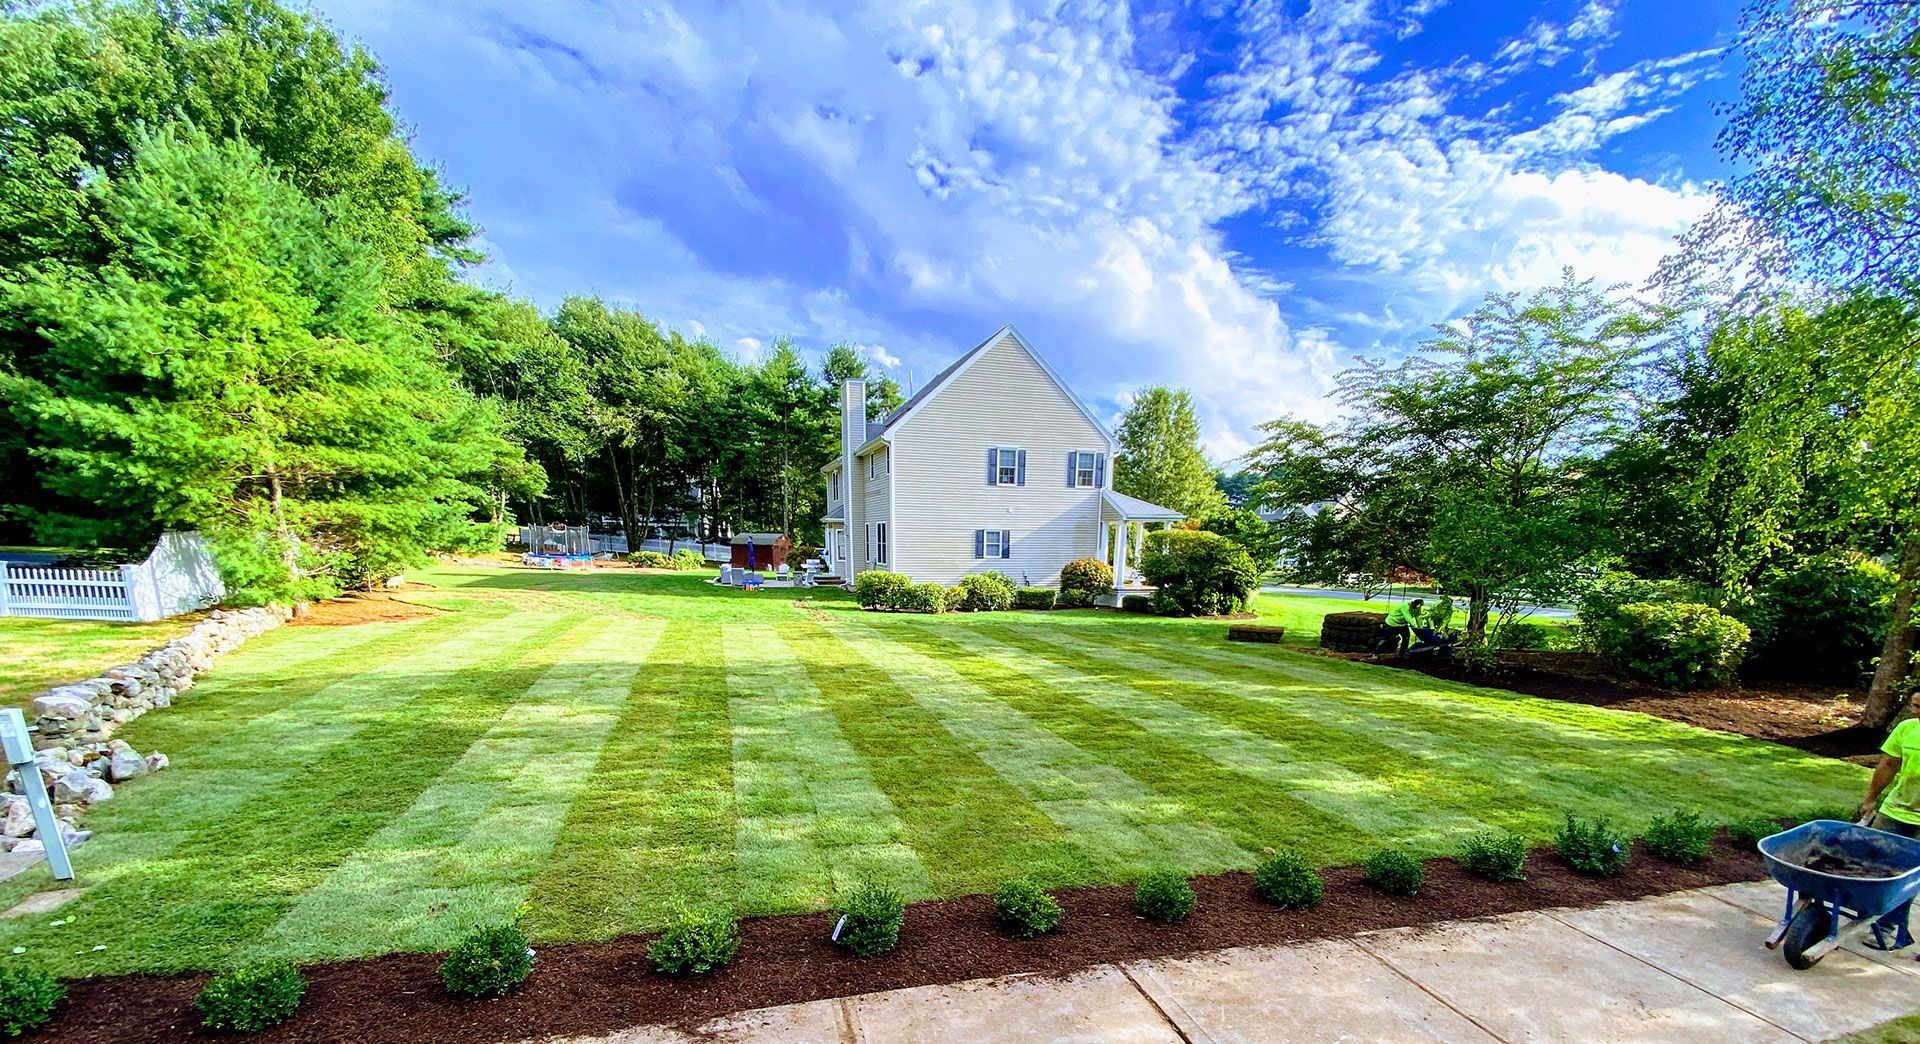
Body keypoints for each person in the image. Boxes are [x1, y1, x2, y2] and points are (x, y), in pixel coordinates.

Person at [1857, 718, 1920, 950]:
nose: (1918, 712)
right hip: (1895, 810)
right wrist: (1871, 799)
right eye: (1915, 706)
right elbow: (1889, 765)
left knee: (1907, 875)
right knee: (1872, 861)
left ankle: (1887, 926)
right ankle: (1868, 911)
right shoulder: (1907, 728)